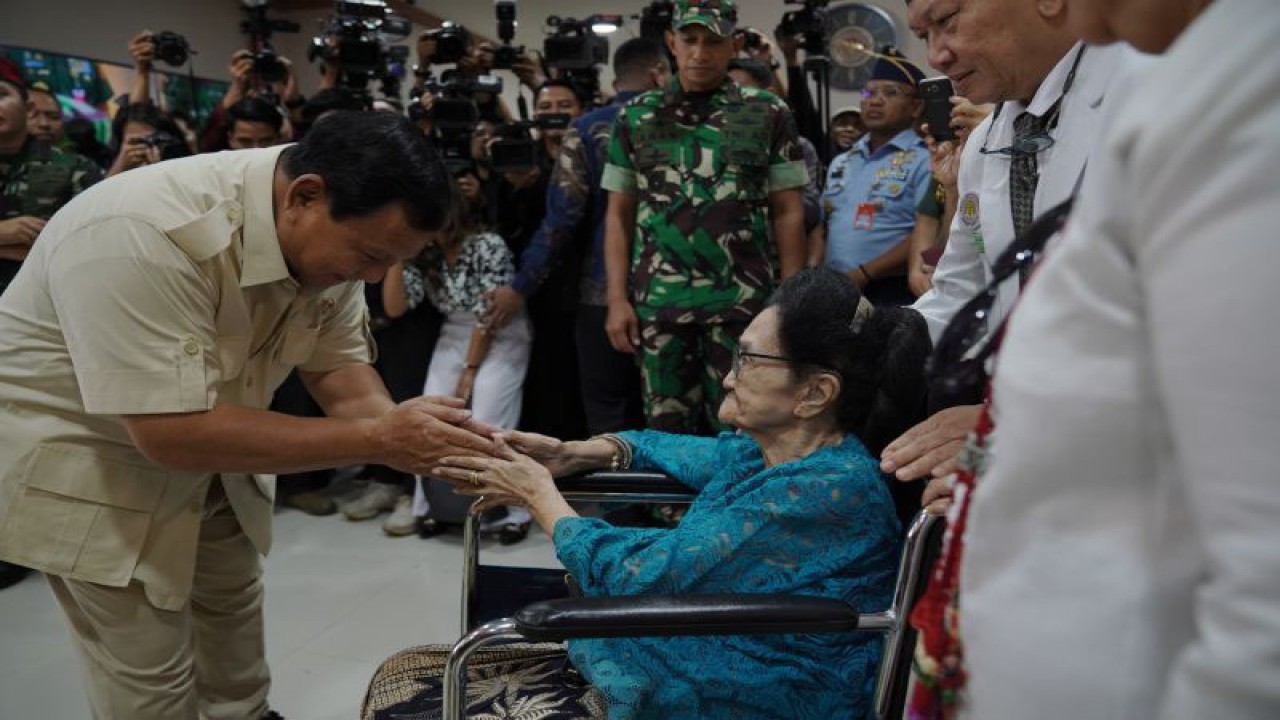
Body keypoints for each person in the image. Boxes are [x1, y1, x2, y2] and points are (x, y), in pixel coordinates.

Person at [0, 111, 496, 719]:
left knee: (232, 632)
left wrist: (416, 436)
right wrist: (381, 439)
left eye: (389, 264)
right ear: (304, 196)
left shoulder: (335, 230)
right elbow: (171, 433)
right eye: (368, 257)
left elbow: (339, 372)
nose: (370, 278)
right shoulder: (142, 231)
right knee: (149, 676)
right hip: (96, 462)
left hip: (221, 447)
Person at [916, 1, 1280, 718]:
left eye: (947, 20)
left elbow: (1265, 584)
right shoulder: (1198, 80)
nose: (937, 54)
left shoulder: (1241, 101)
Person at [367, 267, 927, 719]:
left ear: (814, 393)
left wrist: (540, 495)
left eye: (748, 359)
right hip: (731, 645)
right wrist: (577, 452)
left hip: (766, 684)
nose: (729, 376)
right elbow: (672, 449)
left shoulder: (824, 490)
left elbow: (637, 579)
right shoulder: (772, 450)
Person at [879, 0, 1148, 505]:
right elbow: (964, 293)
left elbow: (1174, 333)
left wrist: (1016, 423)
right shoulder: (987, 139)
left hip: (1130, 456)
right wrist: (871, 343)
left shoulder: (1148, 96)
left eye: (947, 21)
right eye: (923, 34)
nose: (936, 56)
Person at [603, 0, 809, 435]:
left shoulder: (766, 112)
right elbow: (619, 214)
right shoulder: (637, 115)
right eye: (690, 39)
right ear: (671, 42)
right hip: (660, 308)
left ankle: (735, 507)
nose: (699, 52)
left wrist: (791, 301)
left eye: (712, 41)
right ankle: (672, 510)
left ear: (733, 44)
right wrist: (617, 300)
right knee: (666, 434)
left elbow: (789, 212)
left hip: (743, 307)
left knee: (743, 430)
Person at [485, 38, 671, 436]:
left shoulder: (587, 128)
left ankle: (620, 498)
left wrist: (520, 287)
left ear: (616, 77)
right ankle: (673, 500)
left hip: (601, 295)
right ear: (661, 72)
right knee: (671, 416)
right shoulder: (683, 122)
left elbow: (560, 221)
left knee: (609, 415)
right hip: (675, 293)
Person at [410, 169, 534, 544]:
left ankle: (514, 511)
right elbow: (398, 307)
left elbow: (489, 314)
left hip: (501, 331)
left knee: (489, 419)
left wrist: (469, 372)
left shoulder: (487, 244)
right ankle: (427, 507)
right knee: (430, 414)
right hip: (454, 331)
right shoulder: (423, 250)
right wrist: (400, 259)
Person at [810, 48, 929, 306]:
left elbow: (930, 231)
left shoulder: (926, 159)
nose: (874, 101)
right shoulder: (843, 161)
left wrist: (864, 273)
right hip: (835, 289)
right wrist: (810, 275)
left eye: (890, 93)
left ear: (916, 106)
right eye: (868, 92)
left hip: (893, 290)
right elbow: (824, 226)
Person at [0, 76, 102, 296]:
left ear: (27, 108)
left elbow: (89, 242)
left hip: (47, 300)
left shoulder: (74, 166)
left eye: (1, 95)